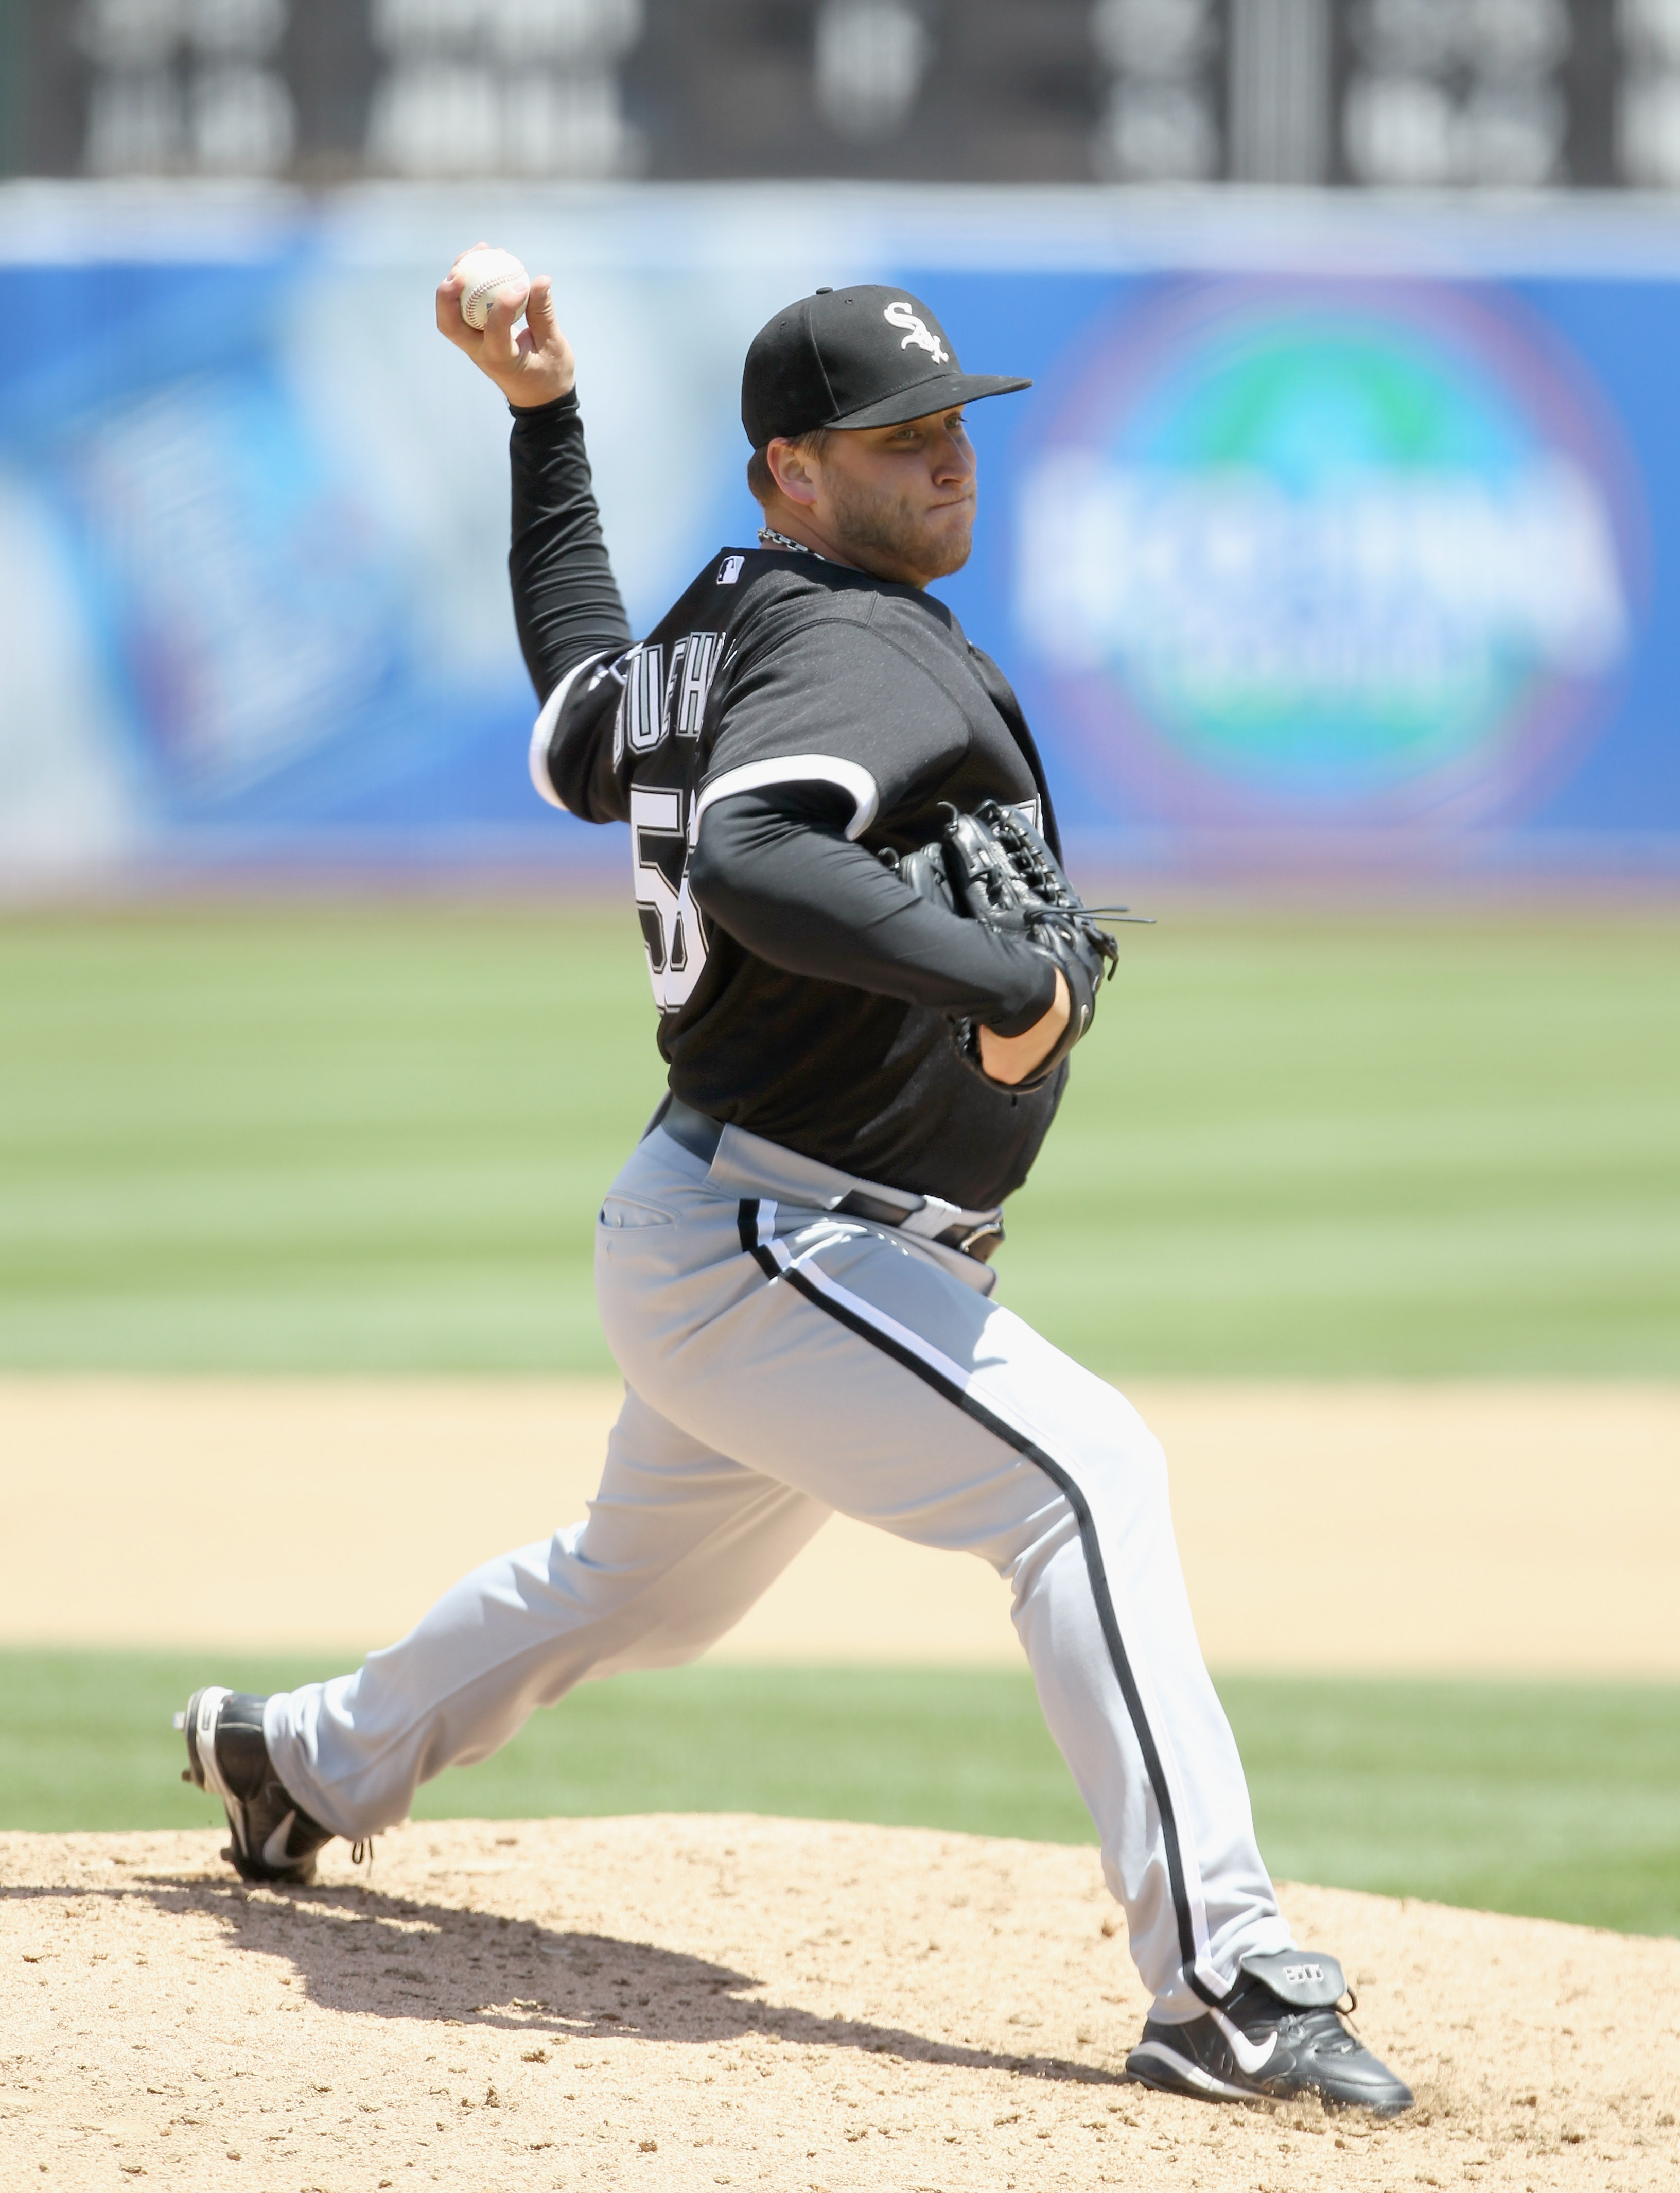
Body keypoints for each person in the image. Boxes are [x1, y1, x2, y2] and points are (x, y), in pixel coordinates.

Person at [179, 257, 1412, 2116]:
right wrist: (1008, 982)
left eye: (955, 426)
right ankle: (1223, 1977)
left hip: (731, 1229)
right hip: (781, 1233)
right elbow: (755, 852)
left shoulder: (730, 622)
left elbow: (587, 685)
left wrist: (542, 425)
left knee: (634, 1586)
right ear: (788, 472)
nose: (946, 460)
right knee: (1086, 1481)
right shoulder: (852, 643)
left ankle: (305, 1759)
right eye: (895, 437)